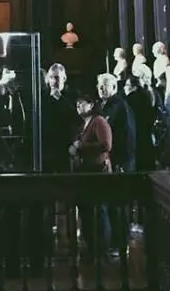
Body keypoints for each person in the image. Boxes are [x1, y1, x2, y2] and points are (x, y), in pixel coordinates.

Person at [69, 94, 113, 258]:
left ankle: (102, 249)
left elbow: (106, 144)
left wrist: (82, 146)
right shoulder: (83, 125)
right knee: (86, 211)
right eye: (77, 104)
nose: (79, 106)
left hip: (98, 172)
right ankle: (91, 247)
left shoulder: (98, 121)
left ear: (91, 105)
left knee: (100, 210)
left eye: (82, 103)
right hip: (85, 172)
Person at [41, 63, 80, 173]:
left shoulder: (74, 95)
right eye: (51, 77)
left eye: (57, 77)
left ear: (64, 78)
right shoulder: (43, 96)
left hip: (65, 147)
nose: (53, 81)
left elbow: (76, 117)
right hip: (47, 147)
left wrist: (60, 98)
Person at [96, 73, 136, 173]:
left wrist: (121, 162)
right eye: (99, 85)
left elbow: (128, 135)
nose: (100, 88)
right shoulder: (101, 106)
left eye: (104, 85)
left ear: (113, 87)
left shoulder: (121, 106)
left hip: (120, 162)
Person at [124, 68, 158, 171]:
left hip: (135, 138)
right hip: (147, 137)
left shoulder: (129, 100)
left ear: (132, 87)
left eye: (126, 85)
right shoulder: (148, 97)